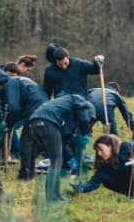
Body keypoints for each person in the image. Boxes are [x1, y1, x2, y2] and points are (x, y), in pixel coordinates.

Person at [19, 94, 96, 202]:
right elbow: (84, 120)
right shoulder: (80, 101)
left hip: (33, 123)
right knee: (56, 161)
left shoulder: (65, 112)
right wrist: (85, 133)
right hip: (47, 122)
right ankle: (52, 197)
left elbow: (63, 141)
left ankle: (56, 195)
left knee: (56, 159)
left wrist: (70, 158)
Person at [43, 45, 104, 174]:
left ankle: (81, 162)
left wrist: (98, 61)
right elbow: (47, 91)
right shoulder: (50, 72)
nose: (64, 66)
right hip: (63, 106)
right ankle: (68, 162)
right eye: (61, 64)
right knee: (64, 135)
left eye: (65, 63)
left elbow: (95, 69)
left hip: (82, 104)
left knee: (82, 133)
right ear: (55, 61)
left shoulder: (79, 64)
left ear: (68, 57)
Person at [70, 134, 134, 200]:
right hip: (131, 182)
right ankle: (129, 193)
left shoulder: (126, 146)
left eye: (101, 149)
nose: (99, 153)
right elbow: (93, 183)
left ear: (110, 146)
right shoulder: (104, 164)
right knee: (104, 178)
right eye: (97, 151)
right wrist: (78, 188)